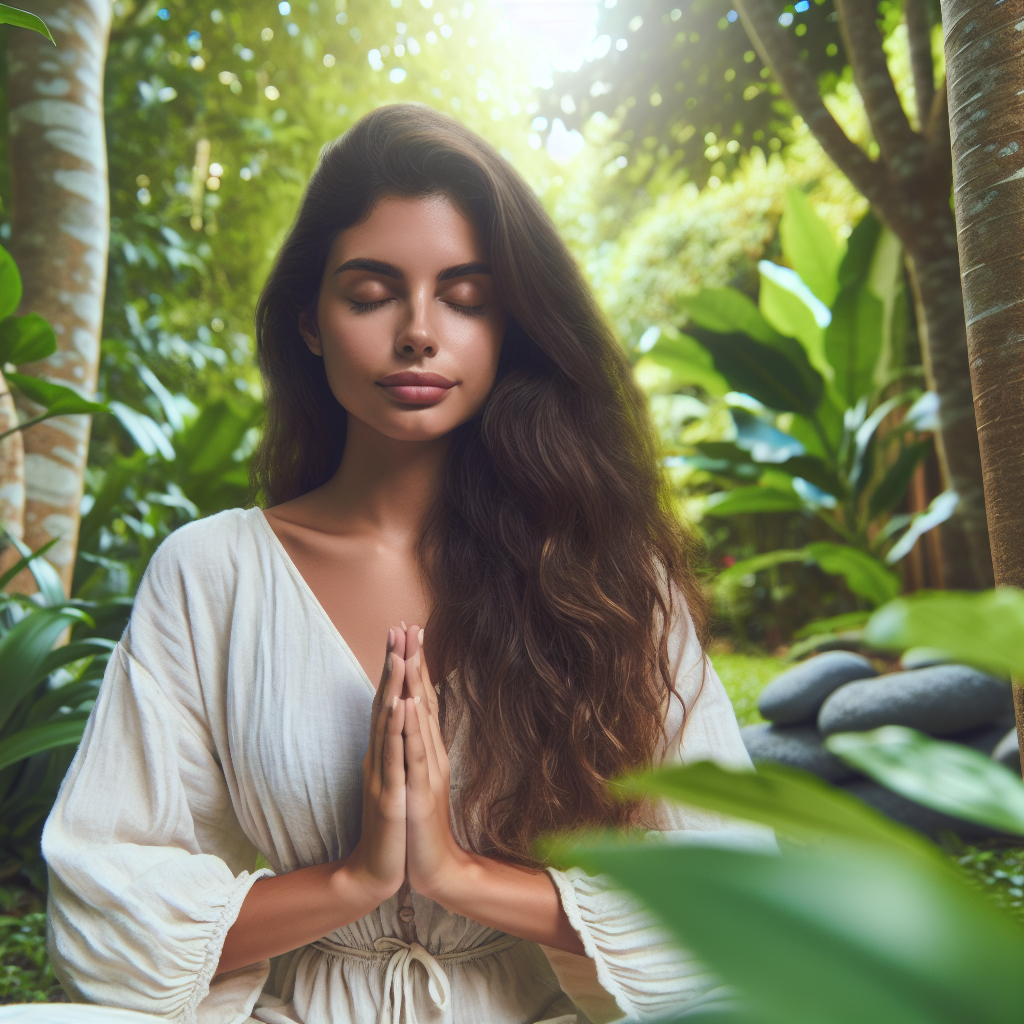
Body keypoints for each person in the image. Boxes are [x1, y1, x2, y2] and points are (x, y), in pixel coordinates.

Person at [43, 105, 765, 1024]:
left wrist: (458, 876)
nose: (420, 332)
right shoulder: (210, 573)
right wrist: (355, 878)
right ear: (310, 320)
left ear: (512, 328)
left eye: (466, 297)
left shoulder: (608, 581)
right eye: (372, 293)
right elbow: (104, 900)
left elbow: (727, 892)